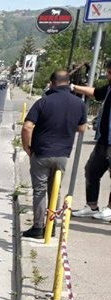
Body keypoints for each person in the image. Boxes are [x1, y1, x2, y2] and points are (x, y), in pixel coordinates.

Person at [21, 70, 88, 239]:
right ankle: (53, 225)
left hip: (42, 153)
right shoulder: (78, 104)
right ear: (68, 82)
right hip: (62, 154)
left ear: (52, 83)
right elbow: (82, 128)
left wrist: (27, 147)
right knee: (55, 190)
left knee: (39, 191)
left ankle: (38, 227)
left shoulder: (43, 102)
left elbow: (27, 127)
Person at [67, 61, 111, 220]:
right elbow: (95, 93)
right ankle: (92, 206)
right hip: (104, 140)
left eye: (109, 72)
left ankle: (110, 210)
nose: (107, 75)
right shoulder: (108, 89)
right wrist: (73, 87)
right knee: (91, 171)